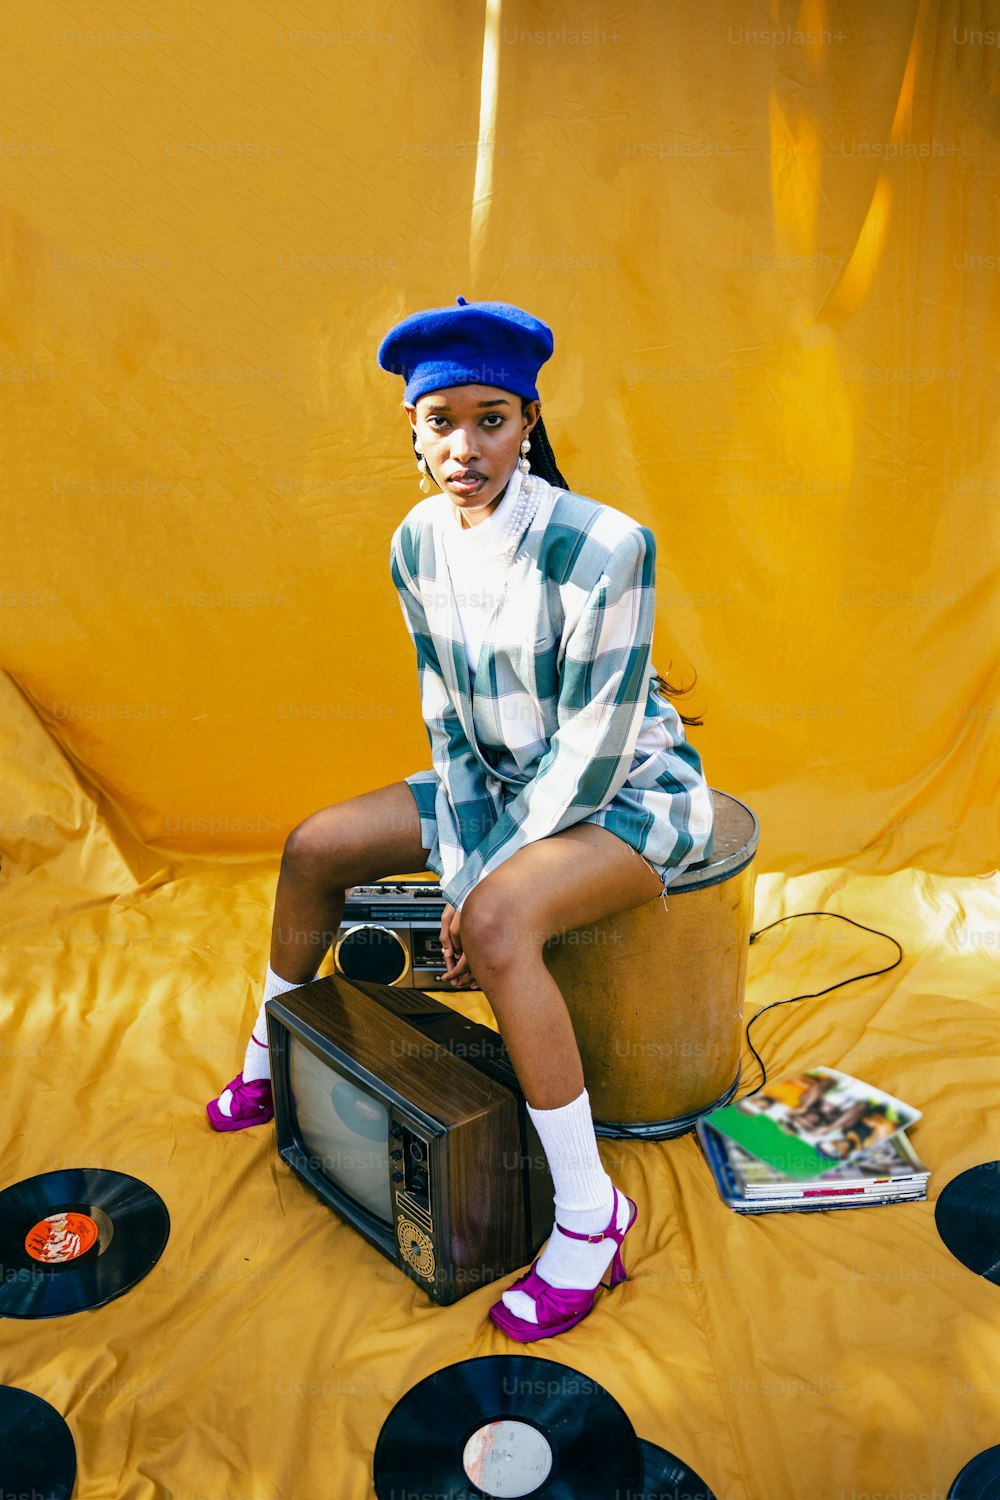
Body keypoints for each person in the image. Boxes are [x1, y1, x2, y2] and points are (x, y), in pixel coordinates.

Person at [206, 297, 715, 1342]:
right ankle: (273, 1054)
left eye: (491, 419)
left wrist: (482, 877)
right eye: (440, 421)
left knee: (492, 928)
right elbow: (446, 716)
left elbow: (594, 750)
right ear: (411, 428)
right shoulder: (414, 545)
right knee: (315, 846)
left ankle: (590, 1215)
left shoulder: (609, 548)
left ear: (528, 420)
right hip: (496, 781)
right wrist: (470, 853)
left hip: (625, 793)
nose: (465, 446)